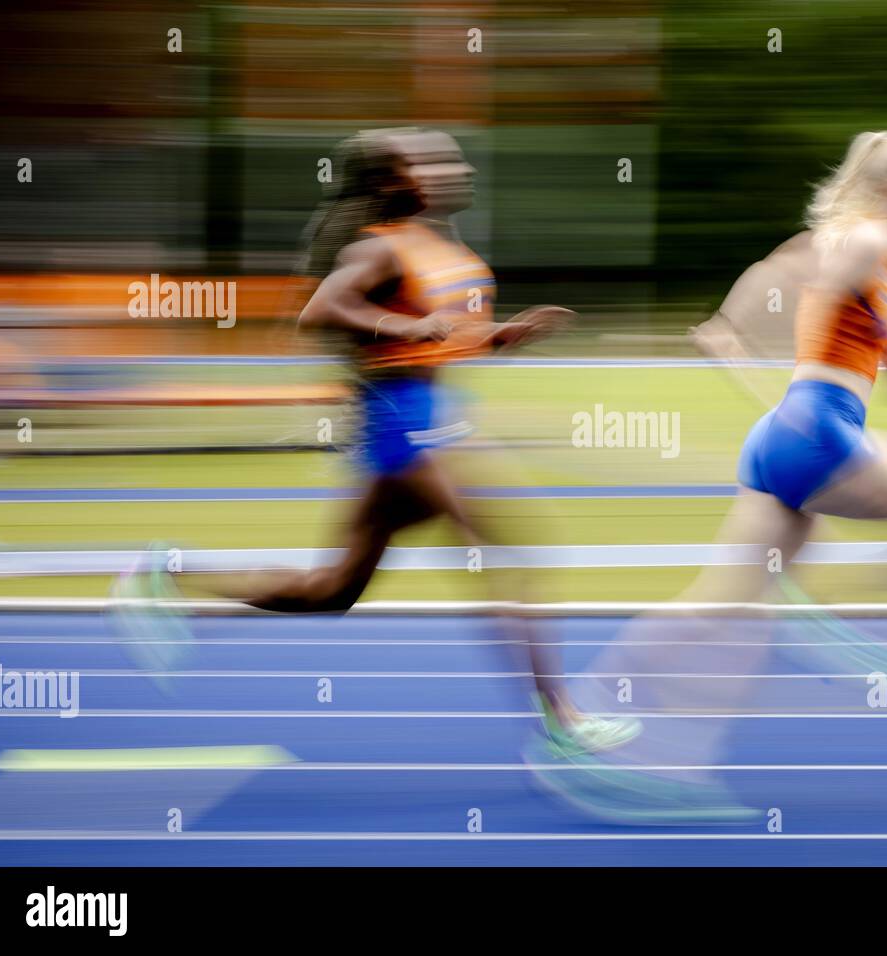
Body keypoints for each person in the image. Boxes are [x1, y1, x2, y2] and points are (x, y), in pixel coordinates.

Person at [112, 127, 640, 755]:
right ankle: (564, 719)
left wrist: (500, 335)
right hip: (406, 422)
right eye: (431, 161)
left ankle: (168, 576)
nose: (454, 169)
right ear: (394, 181)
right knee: (507, 552)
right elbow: (322, 309)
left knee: (331, 590)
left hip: (423, 416)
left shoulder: (434, 246)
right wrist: (406, 324)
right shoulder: (377, 250)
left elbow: (445, 335)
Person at [532, 131, 887, 821]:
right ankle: (843, 613)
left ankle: (587, 729)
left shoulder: (884, 258)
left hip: (789, 438)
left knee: (721, 608)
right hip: (819, 435)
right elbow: (804, 262)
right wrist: (736, 321)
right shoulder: (872, 240)